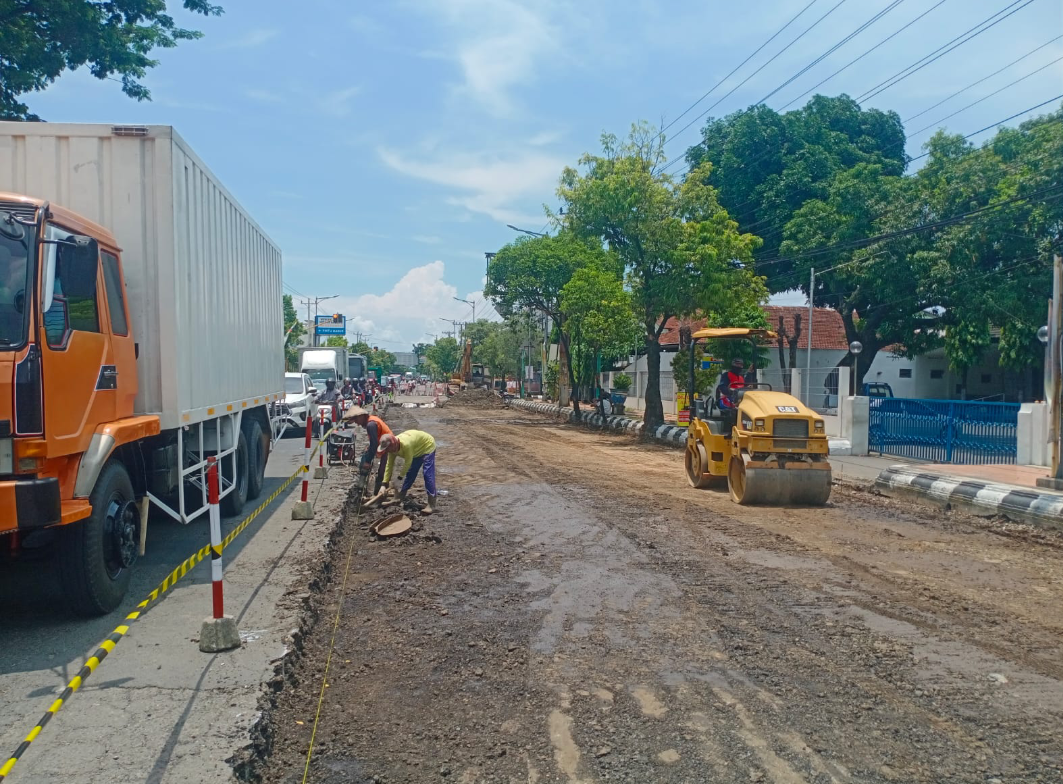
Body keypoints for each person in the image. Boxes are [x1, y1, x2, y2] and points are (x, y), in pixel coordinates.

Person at [378, 430, 438, 514]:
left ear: (393, 444)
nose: (387, 451)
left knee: (428, 475)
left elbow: (408, 462)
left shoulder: (406, 445)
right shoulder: (391, 450)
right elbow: (389, 465)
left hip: (427, 446)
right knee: (410, 474)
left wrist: (399, 478)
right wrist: (384, 484)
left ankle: (432, 504)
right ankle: (399, 498)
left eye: (387, 448)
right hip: (416, 450)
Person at [343, 405, 393, 494]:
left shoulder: (371, 425)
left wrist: (368, 461)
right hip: (385, 443)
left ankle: (373, 490)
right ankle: (371, 489)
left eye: (357, 421)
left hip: (388, 445)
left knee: (376, 466)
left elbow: (374, 445)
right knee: (369, 458)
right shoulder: (372, 420)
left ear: (361, 416)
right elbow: (374, 441)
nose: (357, 424)